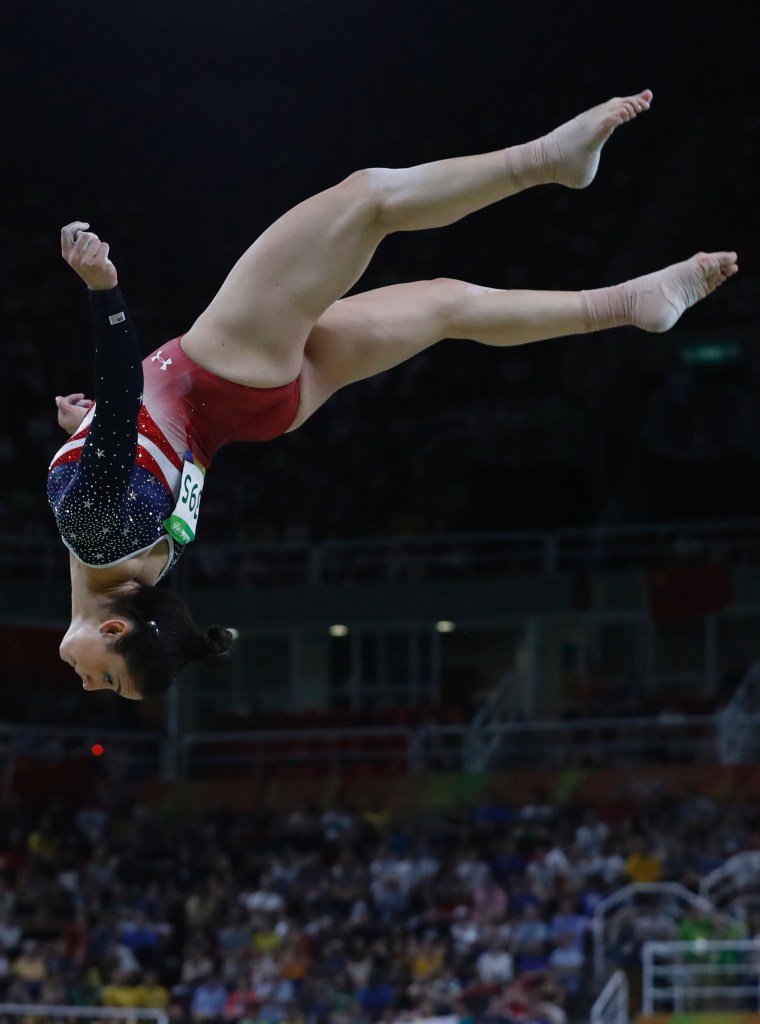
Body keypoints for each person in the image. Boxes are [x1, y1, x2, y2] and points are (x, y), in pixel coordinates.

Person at [50, 88, 738, 700]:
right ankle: (545, 161)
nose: (88, 684)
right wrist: (103, 294)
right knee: (369, 198)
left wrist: (91, 432)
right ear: (115, 624)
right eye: (106, 678)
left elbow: (149, 452)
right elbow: (124, 397)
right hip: (222, 370)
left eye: (104, 684)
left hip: (264, 409)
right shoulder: (95, 531)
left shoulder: (142, 564)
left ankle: (630, 302)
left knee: (446, 307)